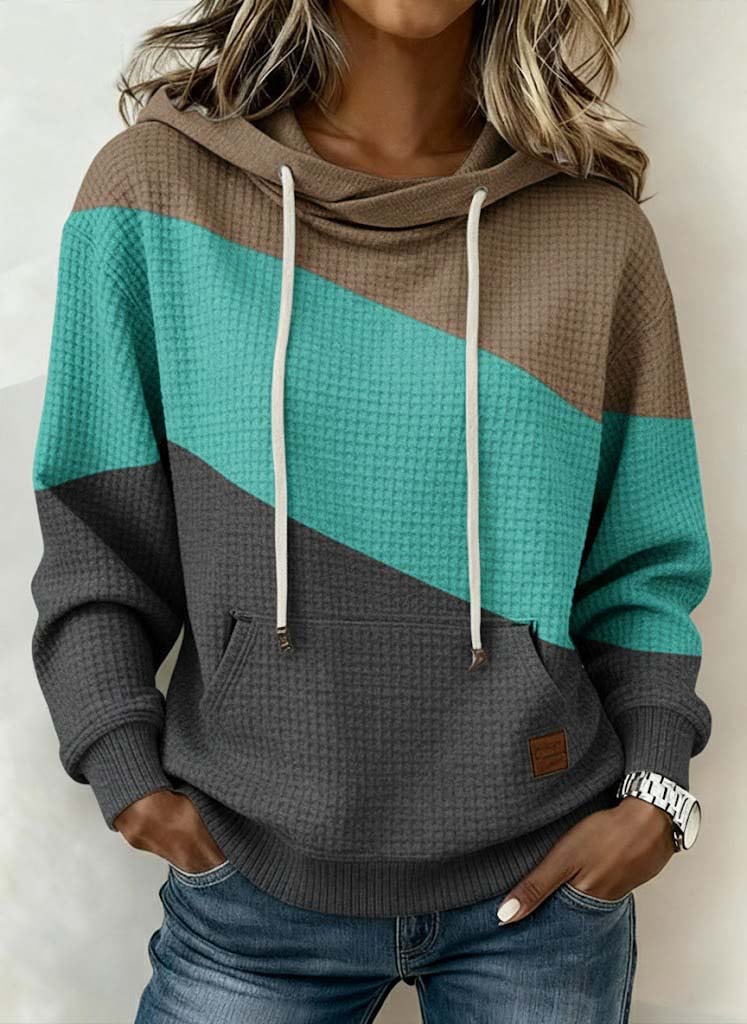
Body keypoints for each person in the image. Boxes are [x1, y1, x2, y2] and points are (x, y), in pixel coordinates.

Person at [29, 1, 712, 1020]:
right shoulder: (157, 194)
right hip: (249, 890)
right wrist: (122, 763)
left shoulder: (593, 230)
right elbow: (97, 535)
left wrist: (656, 793)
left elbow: (642, 566)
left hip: (543, 893)